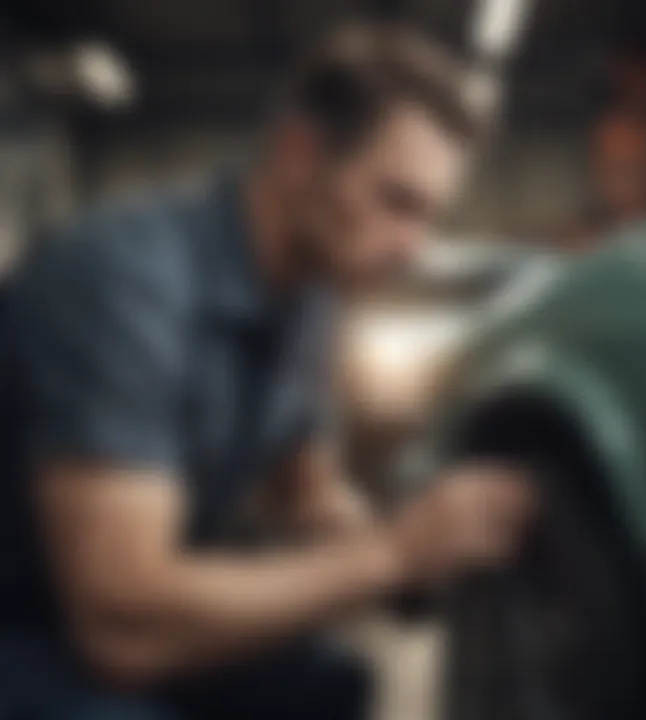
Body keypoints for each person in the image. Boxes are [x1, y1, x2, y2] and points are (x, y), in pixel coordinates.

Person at [0, 25, 534, 719]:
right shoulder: (123, 283)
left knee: (332, 680)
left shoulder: (308, 298)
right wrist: (394, 554)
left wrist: (412, 555)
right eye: (397, 202)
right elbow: (120, 630)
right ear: (298, 154)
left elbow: (308, 488)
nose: (414, 248)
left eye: (430, 216)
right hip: (31, 624)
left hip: (91, 620)